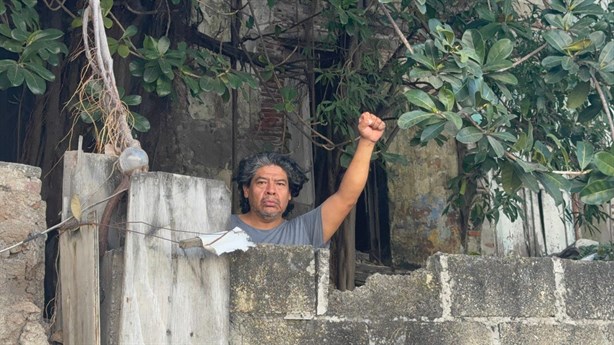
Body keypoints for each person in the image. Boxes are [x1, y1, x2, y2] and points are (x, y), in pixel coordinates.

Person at [228, 112, 385, 247]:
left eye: (280, 184)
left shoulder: (305, 230)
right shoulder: (222, 226)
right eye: (261, 182)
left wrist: (367, 142)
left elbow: (346, 198)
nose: (271, 191)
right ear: (246, 190)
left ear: (289, 193)